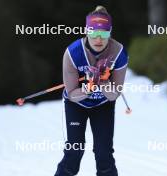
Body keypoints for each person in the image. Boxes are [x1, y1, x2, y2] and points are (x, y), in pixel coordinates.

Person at [54, 5, 128, 176]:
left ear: (110, 33)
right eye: (94, 33)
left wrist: (101, 81)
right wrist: (87, 88)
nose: (98, 39)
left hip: (102, 104)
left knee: (104, 153)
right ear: (86, 31)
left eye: (104, 34)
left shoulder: (119, 53)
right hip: (76, 105)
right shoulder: (73, 52)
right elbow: (72, 94)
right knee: (75, 151)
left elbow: (114, 95)